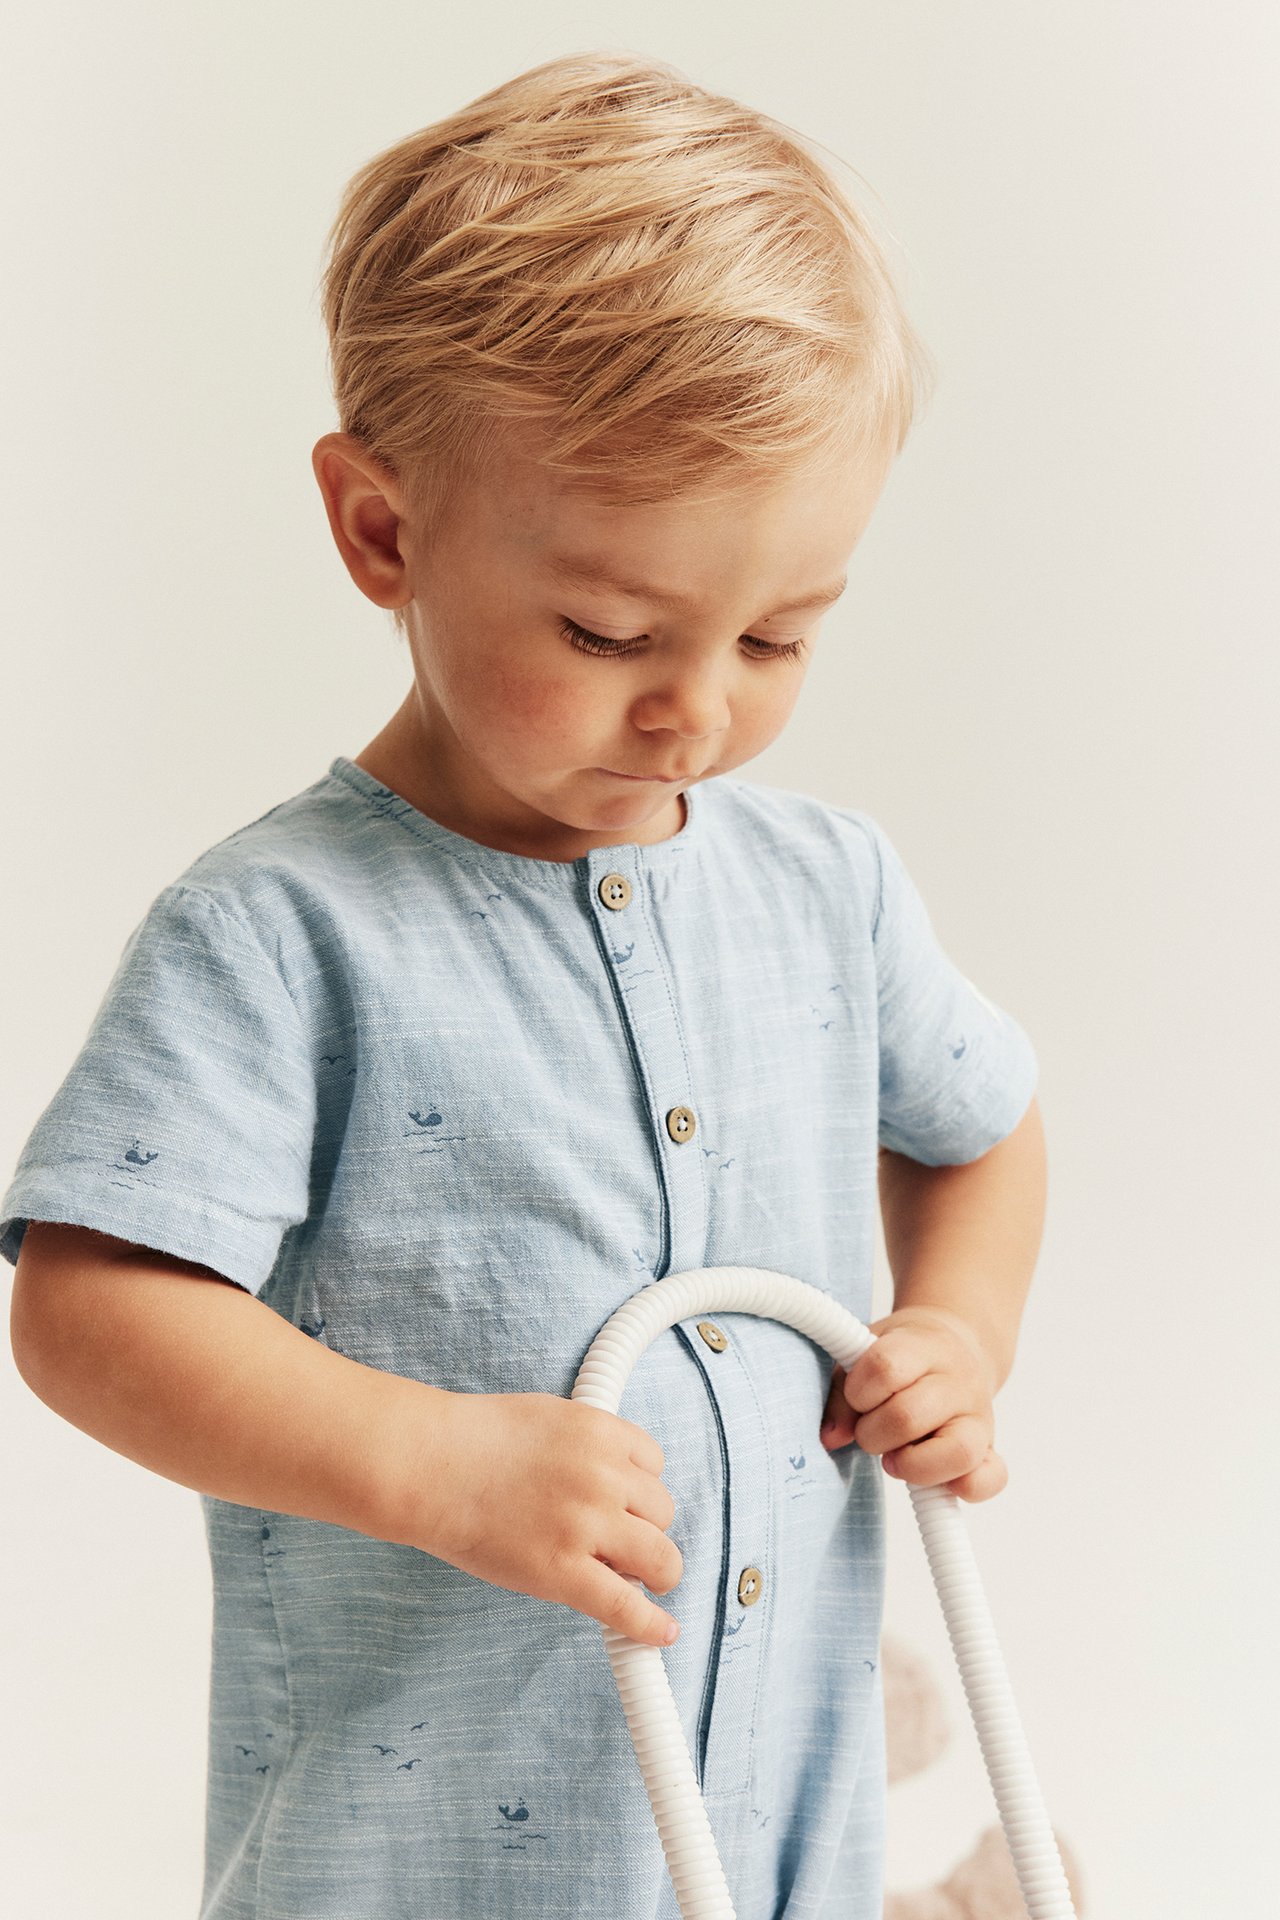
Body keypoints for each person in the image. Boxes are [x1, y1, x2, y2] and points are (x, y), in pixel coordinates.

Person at [2, 51, 1047, 1920]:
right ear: (384, 532)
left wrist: (958, 1332)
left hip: (775, 1829)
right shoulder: (281, 933)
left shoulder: (828, 890)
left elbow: (984, 1127)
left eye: (781, 632)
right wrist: (426, 1461)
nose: (699, 707)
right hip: (420, 1859)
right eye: (611, 630)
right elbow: (94, 1309)